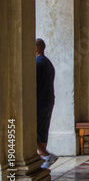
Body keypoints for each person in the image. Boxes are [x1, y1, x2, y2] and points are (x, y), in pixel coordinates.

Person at [36, 38, 57, 169]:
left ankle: (45, 154)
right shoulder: (48, 62)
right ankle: (43, 159)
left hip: (38, 101)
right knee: (42, 130)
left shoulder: (37, 63)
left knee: (28, 130)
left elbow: (34, 84)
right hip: (48, 100)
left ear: (36, 48)